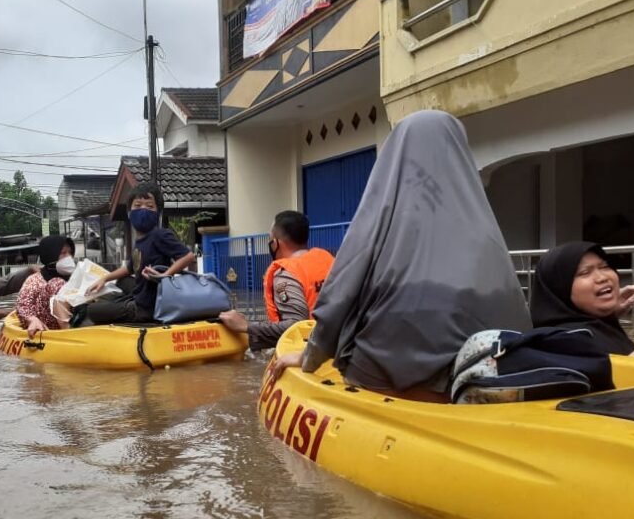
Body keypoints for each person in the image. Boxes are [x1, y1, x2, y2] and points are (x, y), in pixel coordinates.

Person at [270, 110, 531, 400]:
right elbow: (517, 316)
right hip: (477, 375)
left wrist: (310, 355)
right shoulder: (487, 233)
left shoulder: (379, 220)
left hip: (385, 374)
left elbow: (341, 296)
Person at [529, 241, 634, 358]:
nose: (602, 277)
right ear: (560, 288)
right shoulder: (560, 341)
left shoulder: (591, 327)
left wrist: (608, 317)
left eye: (605, 267)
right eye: (584, 273)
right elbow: (605, 383)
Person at [219, 210, 334, 350]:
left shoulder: (286, 274)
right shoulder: (329, 260)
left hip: (310, 350)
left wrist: (246, 326)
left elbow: (296, 326)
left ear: (275, 243)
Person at [85, 184, 196, 324]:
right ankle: (125, 301)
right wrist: (104, 279)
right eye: (138, 205)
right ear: (129, 212)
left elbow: (188, 256)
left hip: (146, 308)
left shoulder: (159, 235)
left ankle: (128, 306)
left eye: (150, 206)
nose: (143, 209)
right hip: (142, 296)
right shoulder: (139, 241)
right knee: (121, 281)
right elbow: (129, 268)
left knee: (91, 311)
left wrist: (164, 275)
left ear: (158, 213)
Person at [16, 235, 76, 337]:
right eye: (63, 253)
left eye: (70, 253)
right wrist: (32, 320)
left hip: (77, 324)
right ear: (51, 255)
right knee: (57, 283)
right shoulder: (35, 280)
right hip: (48, 329)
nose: (68, 257)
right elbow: (23, 306)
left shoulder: (75, 277)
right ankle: (69, 332)